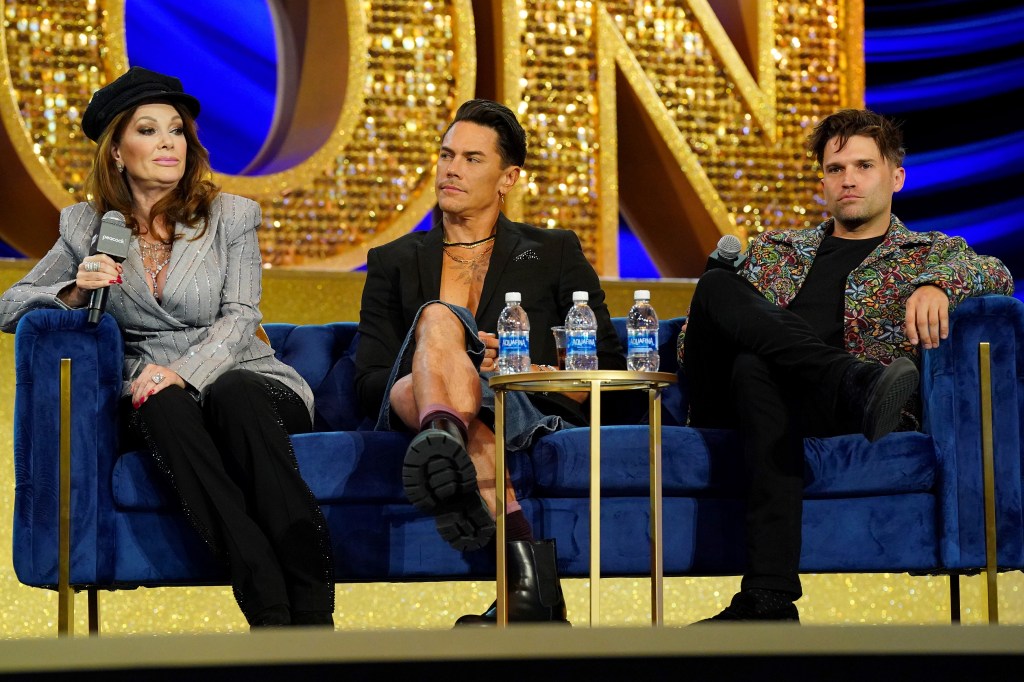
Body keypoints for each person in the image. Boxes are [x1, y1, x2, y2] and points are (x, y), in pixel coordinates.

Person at [0, 67, 335, 629]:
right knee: (158, 402)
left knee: (232, 396)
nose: (167, 144)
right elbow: (9, 306)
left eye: (176, 131)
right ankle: (271, 609)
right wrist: (76, 287)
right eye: (149, 131)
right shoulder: (86, 225)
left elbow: (240, 318)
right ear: (116, 151)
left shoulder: (230, 215)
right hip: (153, 390)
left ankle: (312, 603)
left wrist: (184, 370)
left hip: (245, 376)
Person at [678, 108, 1014, 622]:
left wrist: (937, 284)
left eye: (863, 166)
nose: (848, 180)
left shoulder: (928, 254)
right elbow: (694, 341)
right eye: (836, 169)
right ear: (823, 181)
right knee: (717, 285)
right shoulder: (777, 251)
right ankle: (853, 378)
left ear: (896, 177)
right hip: (731, 404)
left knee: (755, 367)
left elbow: (997, 273)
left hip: (842, 414)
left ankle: (767, 599)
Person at [354, 99, 625, 626]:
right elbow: (368, 380)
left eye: (472, 159)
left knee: (463, 406)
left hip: (520, 402)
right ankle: (531, 589)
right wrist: (440, 359)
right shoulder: (394, 261)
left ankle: (445, 445)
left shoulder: (555, 251)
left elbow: (606, 360)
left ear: (508, 177)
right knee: (437, 320)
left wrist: (528, 367)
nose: (451, 169)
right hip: (415, 396)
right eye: (445, 154)